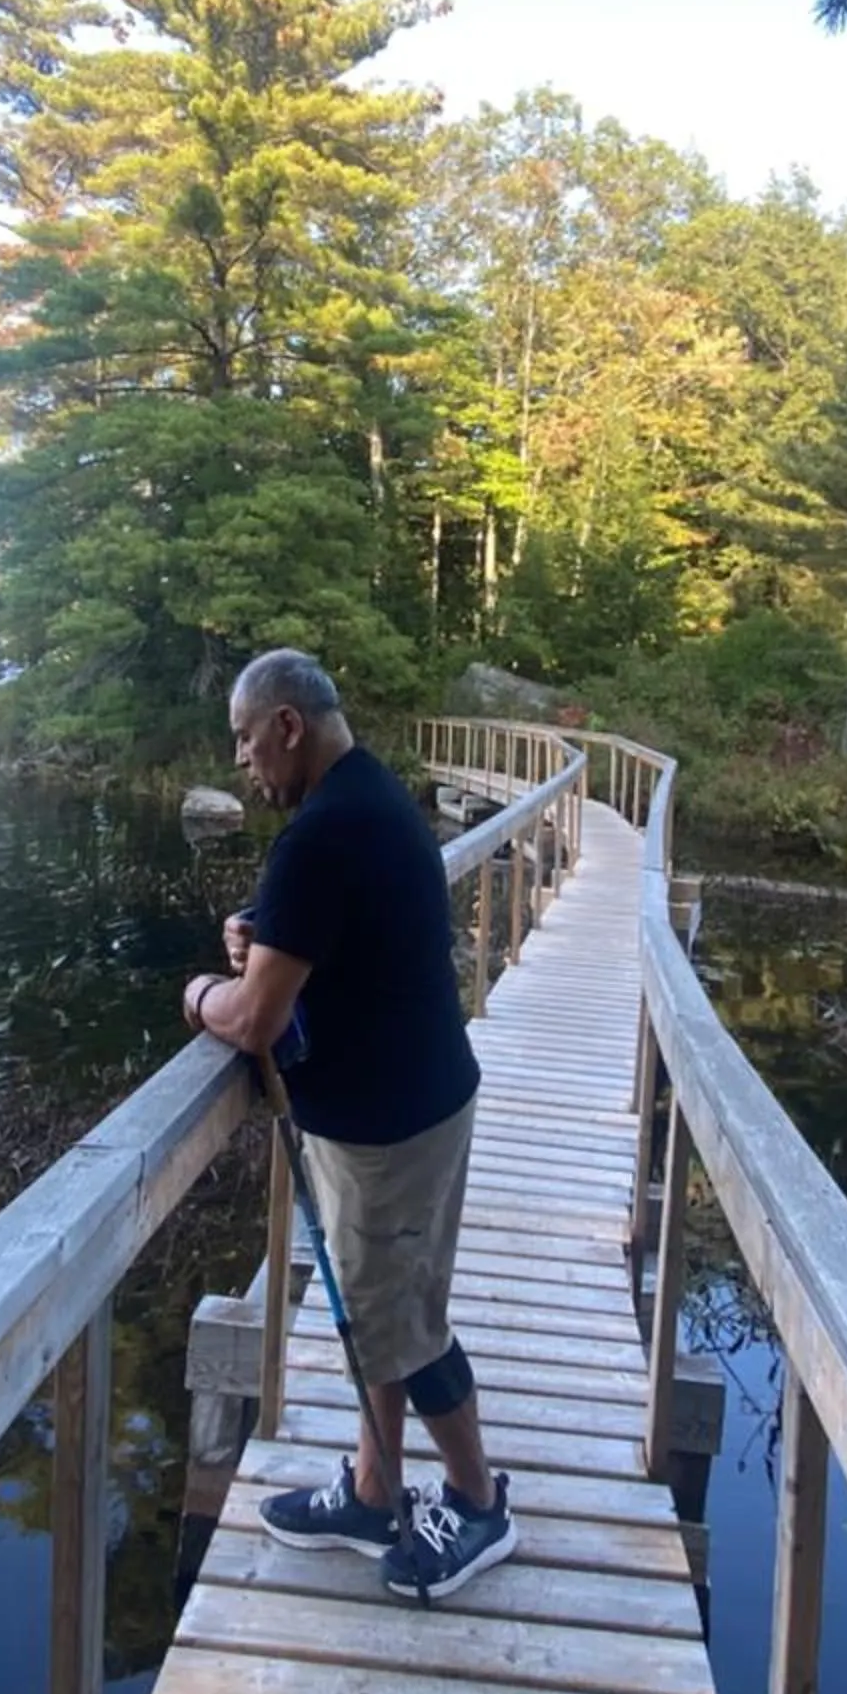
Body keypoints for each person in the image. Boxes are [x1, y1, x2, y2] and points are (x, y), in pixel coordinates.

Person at [181, 648, 516, 1603]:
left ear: (288, 726)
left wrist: (202, 990)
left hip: (391, 1129)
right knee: (374, 1312)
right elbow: (336, 937)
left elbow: (254, 1021)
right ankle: (373, 1492)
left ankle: (477, 1500)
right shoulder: (370, 800)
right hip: (409, 1103)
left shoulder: (325, 833)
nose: (244, 763)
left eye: (247, 740)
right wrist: (264, 937)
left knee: (403, 1325)